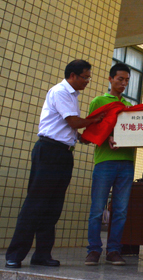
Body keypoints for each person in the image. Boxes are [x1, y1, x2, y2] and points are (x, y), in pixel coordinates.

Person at [5, 60, 104, 268]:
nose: (87, 81)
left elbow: (66, 127)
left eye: (88, 77)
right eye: (85, 77)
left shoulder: (72, 96)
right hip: (49, 152)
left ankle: (42, 254)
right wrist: (94, 120)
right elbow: (73, 121)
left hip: (63, 154)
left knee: (53, 206)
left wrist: (80, 137)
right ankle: (15, 255)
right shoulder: (60, 91)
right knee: (36, 203)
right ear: (72, 75)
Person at [85, 63, 134, 266]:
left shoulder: (130, 107)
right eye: (120, 79)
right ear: (110, 79)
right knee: (97, 209)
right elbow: (92, 130)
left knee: (120, 211)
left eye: (127, 80)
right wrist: (108, 139)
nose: (123, 83)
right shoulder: (99, 101)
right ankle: (93, 250)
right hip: (105, 161)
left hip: (127, 162)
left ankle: (114, 250)